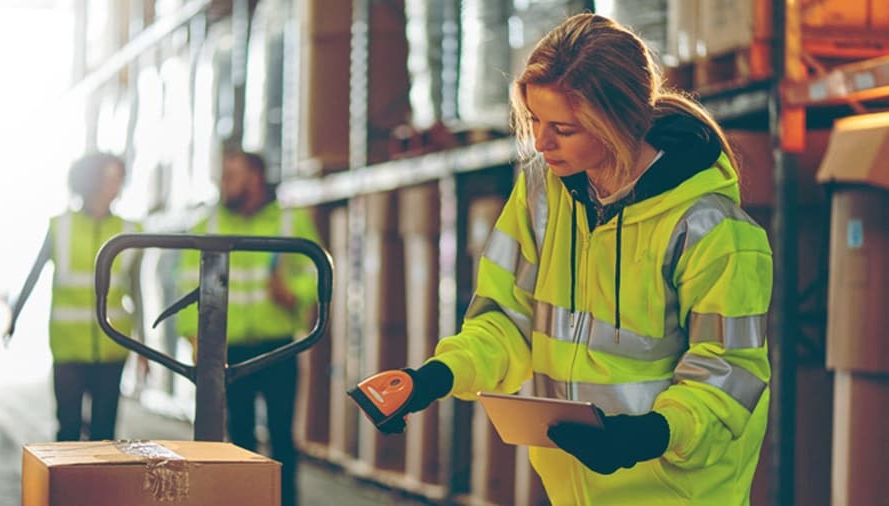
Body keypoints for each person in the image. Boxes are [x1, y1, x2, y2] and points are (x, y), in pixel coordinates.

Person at [360, 13, 772, 505]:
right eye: (534, 120)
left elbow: (729, 371)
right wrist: (433, 377)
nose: (540, 142)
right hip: (572, 490)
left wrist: (648, 435)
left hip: (676, 491)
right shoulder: (541, 196)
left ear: (618, 122)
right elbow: (504, 322)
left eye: (563, 128)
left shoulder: (712, 229)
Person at [176, 149, 320, 506]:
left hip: (279, 347)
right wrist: (192, 336)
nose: (224, 184)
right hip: (229, 349)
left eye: (232, 176)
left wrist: (293, 293)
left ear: (255, 177)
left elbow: (317, 273)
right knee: (238, 440)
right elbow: (183, 284)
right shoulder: (206, 224)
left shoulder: (290, 221)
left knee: (282, 439)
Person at [6, 152, 144, 442]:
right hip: (68, 347)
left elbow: (136, 292)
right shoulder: (61, 226)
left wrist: (142, 347)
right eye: (109, 178)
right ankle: (68, 489)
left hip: (112, 348)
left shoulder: (130, 231)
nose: (115, 186)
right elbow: (34, 274)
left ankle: (98, 488)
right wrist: (14, 318)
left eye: (119, 179)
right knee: (67, 430)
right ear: (90, 180)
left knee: (105, 434)